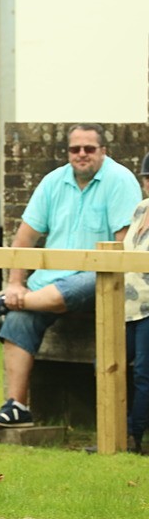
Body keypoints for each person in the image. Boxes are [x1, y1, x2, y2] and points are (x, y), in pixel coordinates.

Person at [0, 125, 141, 428]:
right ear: (68, 153)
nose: (82, 154)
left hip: (104, 278)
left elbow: (123, 248)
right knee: (20, 319)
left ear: (103, 151)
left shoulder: (120, 180)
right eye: (75, 149)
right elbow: (24, 239)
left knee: (77, 286)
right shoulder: (53, 182)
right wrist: (16, 283)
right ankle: (17, 407)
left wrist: (15, 295)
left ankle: (5, 303)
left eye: (89, 148)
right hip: (47, 284)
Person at [122, 153, 149, 454]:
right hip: (126, 303)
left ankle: (133, 435)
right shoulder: (141, 209)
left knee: (144, 371)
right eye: (147, 178)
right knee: (105, 364)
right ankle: (112, 429)